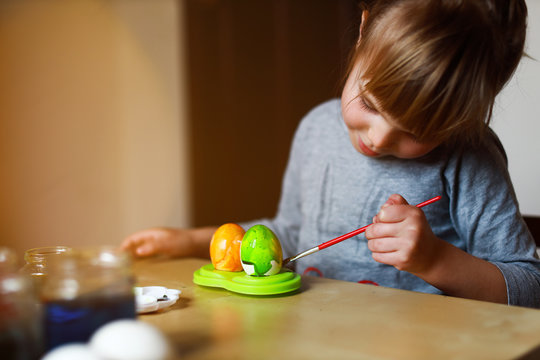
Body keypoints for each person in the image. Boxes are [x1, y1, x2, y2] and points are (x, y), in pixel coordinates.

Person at [121, 0, 540, 307]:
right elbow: (290, 233)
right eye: (372, 105)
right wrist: (194, 241)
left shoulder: (470, 157)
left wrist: (436, 260)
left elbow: (529, 288)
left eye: (417, 131)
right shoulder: (315, 129)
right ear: (362, 32)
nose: (377, 138)